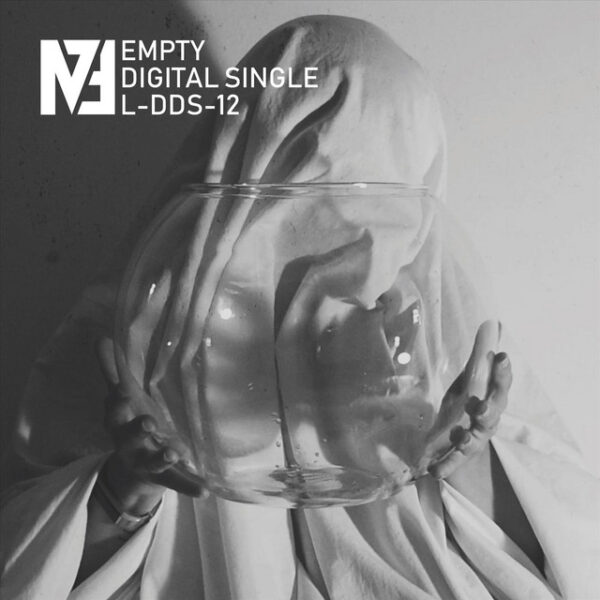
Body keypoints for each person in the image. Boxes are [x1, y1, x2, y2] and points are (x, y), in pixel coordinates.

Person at [1, 16, 598, 600]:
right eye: (316, 192)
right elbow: (27, 571)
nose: (354, 240)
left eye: (383, 195)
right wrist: (126, 487)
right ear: (250, 168)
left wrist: (464, 460)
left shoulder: (441, 332)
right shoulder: (137, 338)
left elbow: (571, 562)